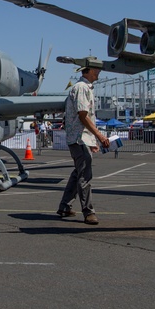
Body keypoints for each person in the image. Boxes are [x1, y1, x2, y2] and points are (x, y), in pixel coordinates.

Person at [57, 57, 110, 225]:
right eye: (97, 69)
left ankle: (65, 206)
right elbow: (83, 115)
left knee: (78, 173)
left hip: (81, 138)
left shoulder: (83, 87)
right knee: (85, 176)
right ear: (90, 70)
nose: (99, 72)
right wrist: (100, 136)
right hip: (79, 139)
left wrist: (92, 139)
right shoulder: (81, 88)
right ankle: (88, 212)